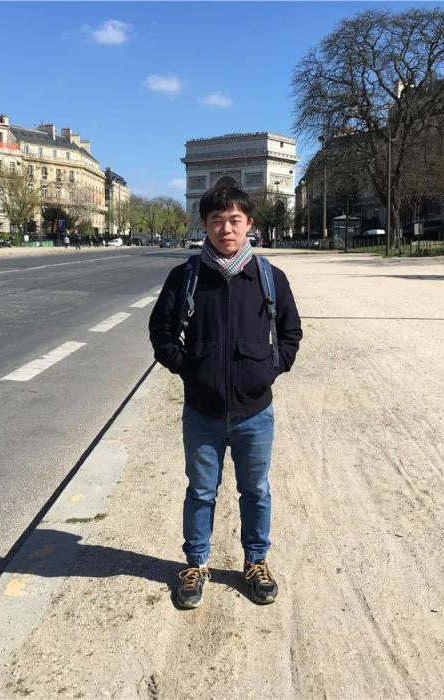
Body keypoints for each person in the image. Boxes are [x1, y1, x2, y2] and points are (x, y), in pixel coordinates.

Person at [149, 186, 302, 609]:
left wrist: (269, 370)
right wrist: (188, 368)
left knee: (256, 491)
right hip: (203, 411)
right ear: (204, 224)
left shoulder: (269, 277)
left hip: (256, 411)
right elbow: (161, 332)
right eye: (217, 220)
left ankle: (256, 561)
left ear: (249, 223)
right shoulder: (185, 277)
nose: (226, 229)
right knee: (201, 492)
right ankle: (196, 564)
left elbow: (291, 332)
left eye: (235, 220)